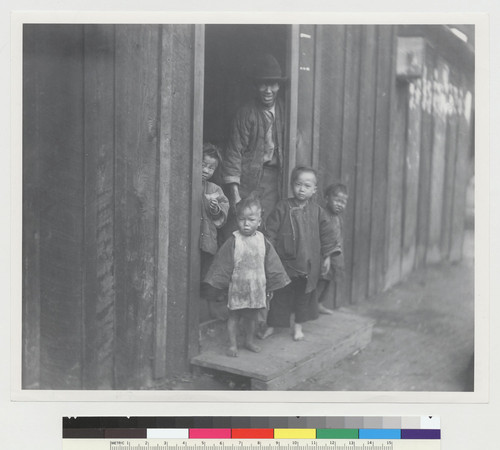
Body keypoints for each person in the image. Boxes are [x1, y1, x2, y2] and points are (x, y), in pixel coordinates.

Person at [261, 166, 342, 341]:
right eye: (298, 184)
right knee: (280, 295)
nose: (302, 189)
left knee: (303, 296)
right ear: (292, 185)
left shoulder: (318, 212)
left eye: (307, 186)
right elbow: (271, 231)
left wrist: (327, 256)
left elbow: (327, 235)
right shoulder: (283, 207)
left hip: (309, 263)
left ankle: (298, 326)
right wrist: (269, 253)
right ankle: (273, 325)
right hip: (285, 262)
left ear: (314, 190)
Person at [204, 196, 290, 357]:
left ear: (259, 221)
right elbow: (222, 264)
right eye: (242, 219)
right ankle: (232, 345)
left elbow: (272, 265)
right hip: (238, 287)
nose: (246, 223)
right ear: (237, 220)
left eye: (251, 219)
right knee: (234, 317)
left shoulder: (262, 241)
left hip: (256, 287)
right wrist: (220, 285)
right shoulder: (234, 240)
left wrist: (270, 286)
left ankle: (249, 341)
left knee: (251, 318)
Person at [222, 53, 287, 228]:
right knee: (241, 224)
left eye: (273, 84)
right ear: (256, 86)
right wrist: (235, 194)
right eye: (263, 84)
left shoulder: (285, 111)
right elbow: (234, 152)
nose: (268, 90)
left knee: (268, 226)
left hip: (275, 179)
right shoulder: (246, 113)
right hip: (248, 178)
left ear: (279, 86)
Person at [199, 143, 230, 317]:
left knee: (206, 277)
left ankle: (206, 313)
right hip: (191, 240)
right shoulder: (187, 183)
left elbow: (223, 210)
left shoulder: (215, 189)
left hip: (207, 240)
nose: (206, 170)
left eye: (211, 167)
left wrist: (216, 209)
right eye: (203, 164)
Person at [316, 183, 348, 315]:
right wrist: (326, 256)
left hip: (336, 257)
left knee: (329, 281)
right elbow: (321, 238)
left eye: (343, 202)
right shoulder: (323, 215)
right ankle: (312, 306)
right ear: (326, 198)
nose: (340, 204)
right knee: (321, 281)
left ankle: (319, 304)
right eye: (337, 200)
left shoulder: (338, 218)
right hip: (325, 256)